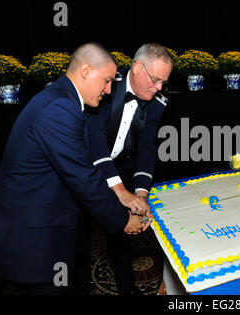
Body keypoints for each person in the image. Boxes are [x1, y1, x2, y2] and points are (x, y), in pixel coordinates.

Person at [0, 42, 145, 295]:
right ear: (85, 71)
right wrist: (123, 219)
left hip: (42, 225)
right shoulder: (59, 109)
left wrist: (118, 194)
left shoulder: (62, 100)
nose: (108, 90)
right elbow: (83, 178)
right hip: (32, 239)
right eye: (106, 81)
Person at [84, 43, 172, 295]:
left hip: (122, 167)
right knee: (78, 237)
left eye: (163, 83)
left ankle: (127, 290)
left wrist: (141, 193)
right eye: (155, 80)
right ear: (136, 67)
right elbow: (95, 145)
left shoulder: (157, 102)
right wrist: (120, 191)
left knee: (120, 234)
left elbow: (146, 148)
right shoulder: (105, 87)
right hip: (86, 167)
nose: (158, 88)